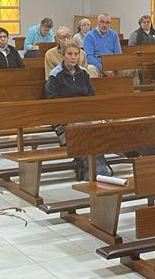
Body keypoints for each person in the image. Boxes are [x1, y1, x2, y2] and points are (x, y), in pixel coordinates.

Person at [46, 44, 111, 180]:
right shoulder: (55, 75)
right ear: (63, 56)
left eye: (76, 54)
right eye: (70, 54)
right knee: (84, 130)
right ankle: (96, 169)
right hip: (65, 119)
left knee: (96, 127)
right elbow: (53, 105)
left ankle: (95, 167)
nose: (73, 57)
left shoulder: (83, 73)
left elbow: (92, 97)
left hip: (84, 115)